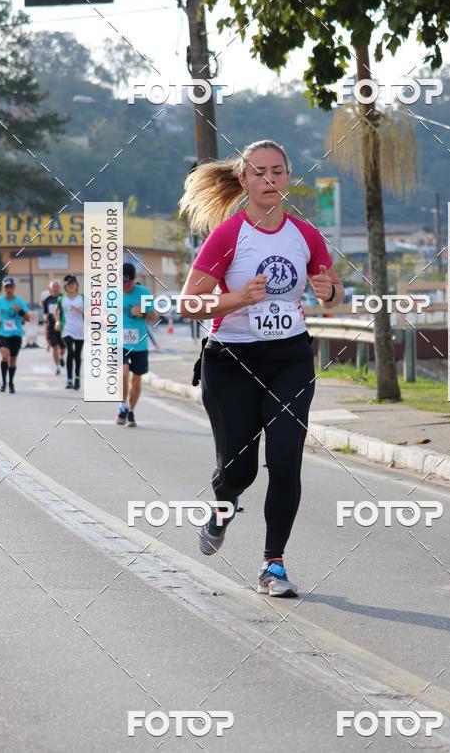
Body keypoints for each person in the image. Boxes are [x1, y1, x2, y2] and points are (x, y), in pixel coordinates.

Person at [179, 140, 344, 597]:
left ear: (288, 177)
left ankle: (274, 565)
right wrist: (238, 299)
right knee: (239, 470)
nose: (270, 180)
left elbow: (333, 294)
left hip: (289, 358)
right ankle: (223, 507)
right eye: (259, 172)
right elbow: (190, 303)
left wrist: (329, 291)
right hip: (230, 361)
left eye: (278, 171)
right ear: (244, 180)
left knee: (287, 460)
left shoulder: (304, 235)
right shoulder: (228, 236)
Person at [116, 263, 155, 427]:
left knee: (137, 381)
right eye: (123, 282)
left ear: (135, 279)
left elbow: (153, 317)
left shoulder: (144, 293)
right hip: (119, 342)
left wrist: (144, 312)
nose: (125, 286)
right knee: (123, 373)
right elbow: (104, 316)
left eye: (129, 283)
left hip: (139, 344)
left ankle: (131, 410)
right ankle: (123, 406)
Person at [0, 277, 30, 394]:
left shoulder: (20, 302)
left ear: (14, 288)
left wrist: (20, 311)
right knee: (5, 356)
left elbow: (27, 318)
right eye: (6, 287)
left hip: (16, 334)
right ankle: (4, 382)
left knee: (12, 362)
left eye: (10, 287)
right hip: (2, 334)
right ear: (3, 288)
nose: (8, 289)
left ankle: (11, 382)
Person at [55, 275, 84, 390]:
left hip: (80, 330)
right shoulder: (62, 298)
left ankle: (77, 377)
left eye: (72, 284)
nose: (70, 287)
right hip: (67, 329)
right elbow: (56, 311)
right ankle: (69, 379)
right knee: (70, 352)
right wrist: (57, 322)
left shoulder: (82, 298)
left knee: (77, 355)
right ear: (65, 287)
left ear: (77, 285)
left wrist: (78, 310)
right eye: (68, 285)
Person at [42, 280, 65, 375]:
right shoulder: (47, 300)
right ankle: (58, 367)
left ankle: (61, 357)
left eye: (57, 286)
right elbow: (45, 313)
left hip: (62, 326)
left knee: (63, 347)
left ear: (60, 288)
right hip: (51, 327)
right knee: (55, 347)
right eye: (53, 286)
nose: (55, 288)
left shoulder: (64, 298)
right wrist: (45, 318)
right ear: (50, 289)